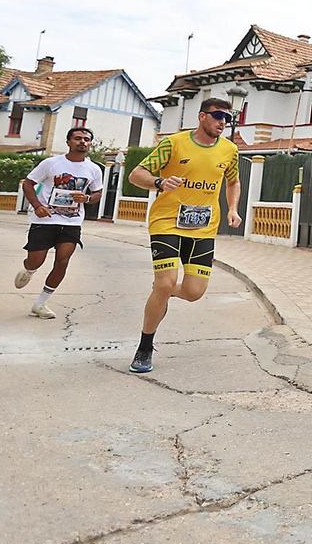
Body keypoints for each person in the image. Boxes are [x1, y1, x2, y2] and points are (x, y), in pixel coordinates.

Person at [125, 97, 240, 374]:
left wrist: (233, 208)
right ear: (202, 116)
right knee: (165, 283)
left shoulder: (230, 150)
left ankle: (160, 294)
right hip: (167, 222)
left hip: (203, 227)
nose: (222, 121)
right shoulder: (174, 143)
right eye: (217, 115)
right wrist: (159, 182)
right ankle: (145, 346)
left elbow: (233, 181)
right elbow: (136, 174)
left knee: (193, 293)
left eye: (227, 117)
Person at [14, 127, 104, 319]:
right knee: (36, 260)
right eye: (78, 138)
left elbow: (98, 193)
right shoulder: (51, 163)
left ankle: (40, 303)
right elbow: (28, 183)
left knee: (62, 261)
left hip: (72, 222)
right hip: (45, 219)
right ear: (68, 141)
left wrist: (87, 198)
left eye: (87, 139)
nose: (82, 142)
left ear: (90, 143)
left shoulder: (94, 169)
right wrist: (37, 205)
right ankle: (29, 268)